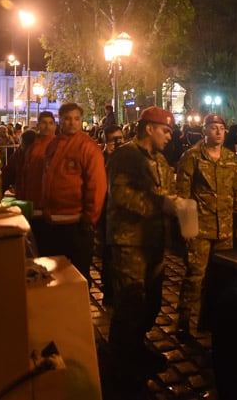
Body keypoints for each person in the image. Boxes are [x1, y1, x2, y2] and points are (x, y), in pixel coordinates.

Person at [105, 106, 177, 377]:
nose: (170, 136)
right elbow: (122, 196)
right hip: (129, 241)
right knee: (130, 302)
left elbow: (168, 191)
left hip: (153, 239)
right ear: (149, 128)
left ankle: (135, 346)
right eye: (165, 131)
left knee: (152, 302)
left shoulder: (159, 160)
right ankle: (122, 361)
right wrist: (161, 204)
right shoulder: (126, 156)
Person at [175, 113, 237, 336]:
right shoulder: (192, 157)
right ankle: (183, 321)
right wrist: (186, 228)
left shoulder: (230, 159)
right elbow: (183, 196)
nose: (218, 131)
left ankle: (212, 320)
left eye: (221, 128)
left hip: (224, 230)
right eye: (213, 127)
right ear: (204, 131)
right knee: (194, 276)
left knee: (219, 279)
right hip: (200, 229)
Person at [40, 103, 107, 281]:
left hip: (76, 224)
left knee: (78, 275)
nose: (72, 123)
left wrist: (89, 219)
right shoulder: (53, 144)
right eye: (68, 119)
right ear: (60, 121)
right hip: (52, 221)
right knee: (54, 274)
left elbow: (97, 185)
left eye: (76, 119)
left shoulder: (88, 147)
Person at [97, 123, 124, 305]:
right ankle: (109, 291)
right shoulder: (100, 158)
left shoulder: (127, 158)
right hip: (105, 211)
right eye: (114, 141)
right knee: (108, 253)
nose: (118, 144)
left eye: (120, 139)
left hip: (123, 214)